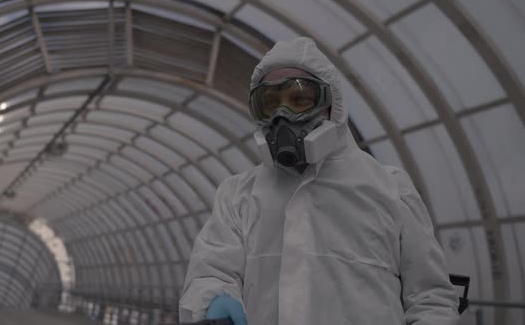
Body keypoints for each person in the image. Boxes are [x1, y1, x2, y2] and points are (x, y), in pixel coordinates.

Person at [178, 37, 459, 325]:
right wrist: (212, 298)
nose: (281, 116)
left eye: (299, 100)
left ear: (331, 103)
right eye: (270, 104)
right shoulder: (238, 195)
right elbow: (212, 271)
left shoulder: (389, 189)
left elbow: (431, 299)